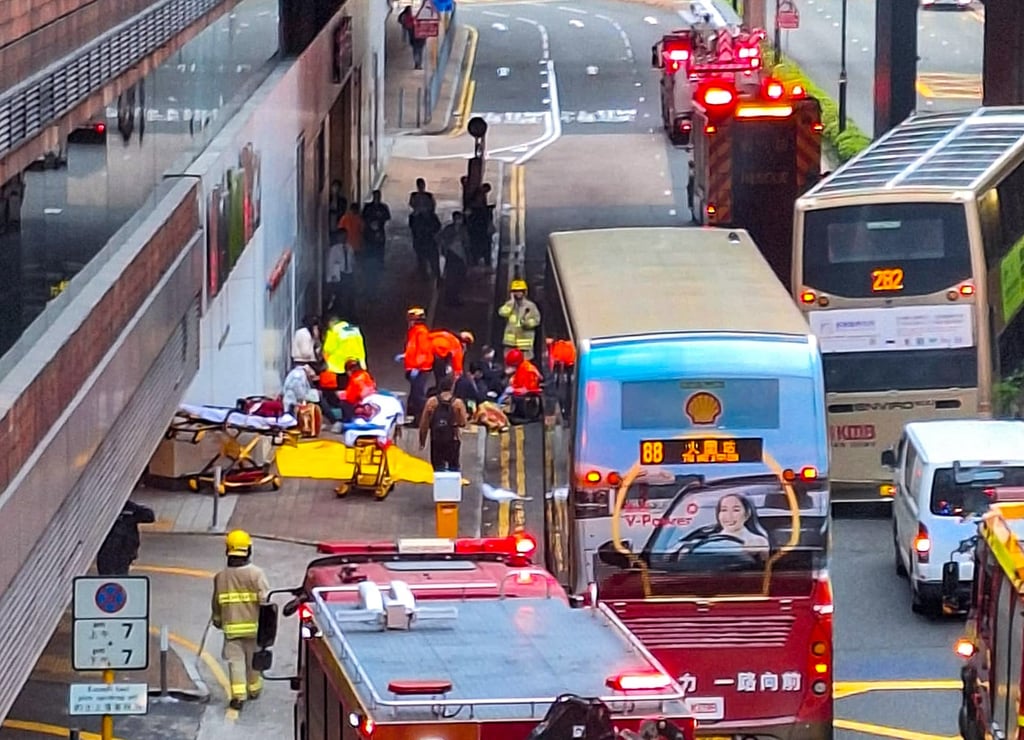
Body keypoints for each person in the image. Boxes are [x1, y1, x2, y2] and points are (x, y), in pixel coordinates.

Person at [211, 530, 271, 712]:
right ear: (248, 550)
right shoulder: (256, 574)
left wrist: (218, 620)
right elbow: (266, 601)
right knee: (253, 661)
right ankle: (254, 689)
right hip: (254, 629)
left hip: (232, 630)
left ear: (227, 550)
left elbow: (217, 603)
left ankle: (238, 697)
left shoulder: (221, 577)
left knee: (235, 662)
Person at [419, 376, 468, 472]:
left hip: (436, 439)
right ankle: (452, 486)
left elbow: (424, 424)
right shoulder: (458, 403)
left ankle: (440, 486)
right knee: (453, 467)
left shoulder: (431, 402)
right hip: (453, 440)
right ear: (451, 387)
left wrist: (422, 442)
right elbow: (463, 422)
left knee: (438, 468)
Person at [96, 500, 156, 576]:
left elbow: (150, 516)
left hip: (124, 552)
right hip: (107, 552)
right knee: (108, 577)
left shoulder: (128, 510)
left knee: (121, 577)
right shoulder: (102, 511)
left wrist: (133, 510)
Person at [397, 306, 435, 424]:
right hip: (417, 367)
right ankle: (417, 418)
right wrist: (405, 355)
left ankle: (423, 419)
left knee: (418, 396)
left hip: (422, 368)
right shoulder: (414, 332)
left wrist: (417, 367)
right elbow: (413, 349)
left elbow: (423, 352)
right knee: (415, 394)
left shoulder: (421, 332)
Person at [498, 279, 541, 360]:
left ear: (524, 292)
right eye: (515, 291)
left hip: (524, 346)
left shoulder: (531, 306)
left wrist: (526, 323)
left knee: (524, 367)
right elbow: (502, 313)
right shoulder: (509, 305)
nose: (518, 293)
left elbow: (536, 320)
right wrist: (511, 302)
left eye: (520, 291)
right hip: (510, 345)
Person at [437, 211, 470, 306]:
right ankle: (450, 298)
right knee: (452, 278)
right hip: (452, 256)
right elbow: (440, 238)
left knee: (459, 278)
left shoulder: (463, 229)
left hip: (460, 256)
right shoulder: (449, 229)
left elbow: (467, 243)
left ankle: (454, 297)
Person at [325, 230, 356, 320]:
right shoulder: (334, 250)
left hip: (349, 274)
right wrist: (330, 278)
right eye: (341, 236)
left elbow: (352, 261)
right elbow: (330, 264)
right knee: (340, 295)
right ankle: (340, 314)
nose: (343, 238)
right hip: (339, 275)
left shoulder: (349, 247)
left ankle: (350, 314)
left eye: (345, 236)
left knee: (350, 295)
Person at [361, 190, 391, 261]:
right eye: (376, 196)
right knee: (369, 247)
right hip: (369, 230)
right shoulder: (368, 207)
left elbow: (388, 216)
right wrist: (370, 222)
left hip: (379, 230)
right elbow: (363, 216)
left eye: (378, 196)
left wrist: (381, 218)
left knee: (379, 249)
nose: (377, 198)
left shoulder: (383, 207)